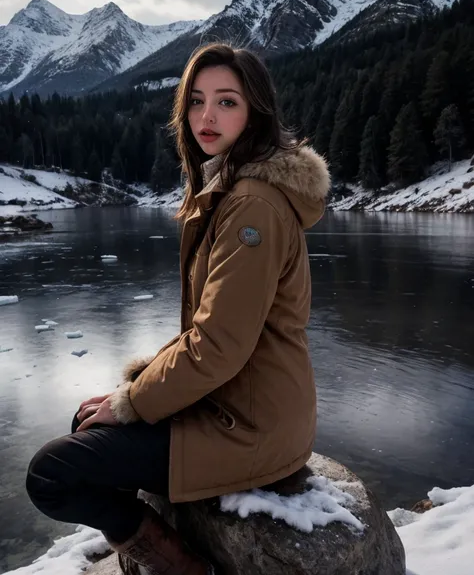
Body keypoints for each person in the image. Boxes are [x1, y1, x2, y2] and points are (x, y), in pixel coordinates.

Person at [26, 43, 330, 575]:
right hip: (240, 404)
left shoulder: (251, 206)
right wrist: (134, 391)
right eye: (196, 101)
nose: (206, 117)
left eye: (227, 101)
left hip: (251, 427)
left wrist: (131, 403)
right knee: (85, 420)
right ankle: (161, 523)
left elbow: (217, 345)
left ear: (256, 111)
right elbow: (211, 329)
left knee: (52, 473)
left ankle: (179, 565)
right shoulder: (230, 187)